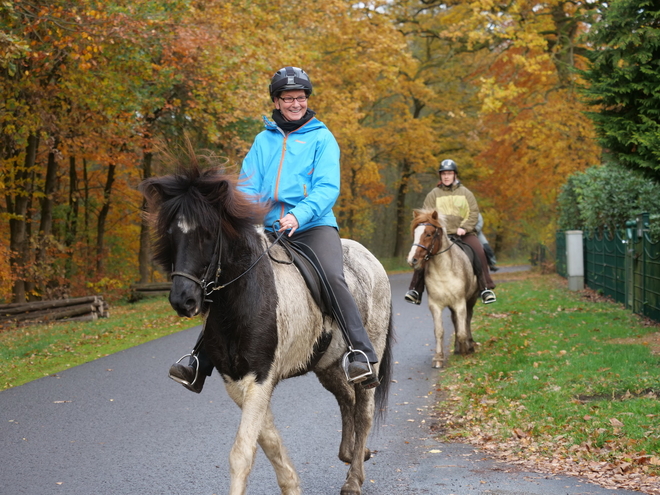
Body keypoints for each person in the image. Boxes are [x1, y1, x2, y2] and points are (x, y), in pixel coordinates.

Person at [168, 66, 380, 393]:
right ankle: (199, 360)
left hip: (312, 225)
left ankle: (359, 352)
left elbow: (327, 188)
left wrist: (299, 215)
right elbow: (249, 187)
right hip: (266, 227)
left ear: (306, 99)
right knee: (229, 277)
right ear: (277, 101)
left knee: (332, 275)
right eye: (288, 98)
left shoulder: (322, 138)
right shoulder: (263, 140)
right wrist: (250, 218)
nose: (295, 103)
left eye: (300, 97)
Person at [404, 159, 496, 305]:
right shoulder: (433, 194)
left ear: (455, 175)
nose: (446, 176)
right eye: (443, 174)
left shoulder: (466, 193)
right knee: (422, 253)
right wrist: (438, 230)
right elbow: (427, 216)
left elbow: (473, 213)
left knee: (479, 251)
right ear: (440, 176)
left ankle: (485, 288)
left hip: (463, 234)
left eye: (449, 173)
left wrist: (465, 227)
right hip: (441, 235)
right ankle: (415, 290)